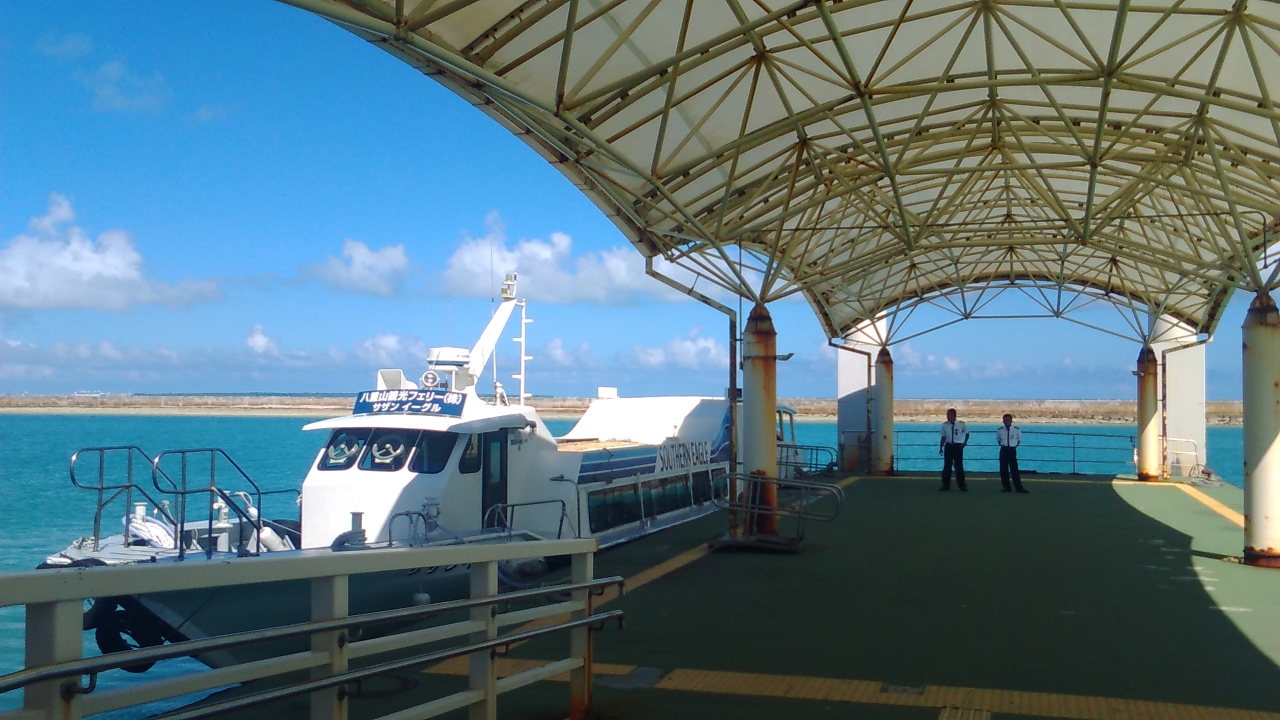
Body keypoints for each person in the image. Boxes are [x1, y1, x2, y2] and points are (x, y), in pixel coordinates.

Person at [997, 413, 1028, 493]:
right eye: (1005, 420)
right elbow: (998, 440)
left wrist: (1012, 447)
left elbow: (1019, 440)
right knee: (1003, 470)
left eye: (1008, 420)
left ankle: (1019, 488)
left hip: (1012, 450)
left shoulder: (1016, 430)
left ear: (1011, 420)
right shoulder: (1000, 430)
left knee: (1014, 470)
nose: (1006, 421)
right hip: (1004, 450)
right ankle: (1006, 487)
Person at [939, 408, 968, 491]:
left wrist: (964, 443)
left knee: (959, 466)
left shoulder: (961, 424)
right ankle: (946, 485)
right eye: (947, 414)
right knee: (947, 466)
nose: (947, 416)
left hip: (957, 446)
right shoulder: (945, 425)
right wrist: (941, 447)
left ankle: (962, 485)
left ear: (953, 415)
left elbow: (967, 433)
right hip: (948, 446)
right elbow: (943, 437)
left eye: (949, 414)